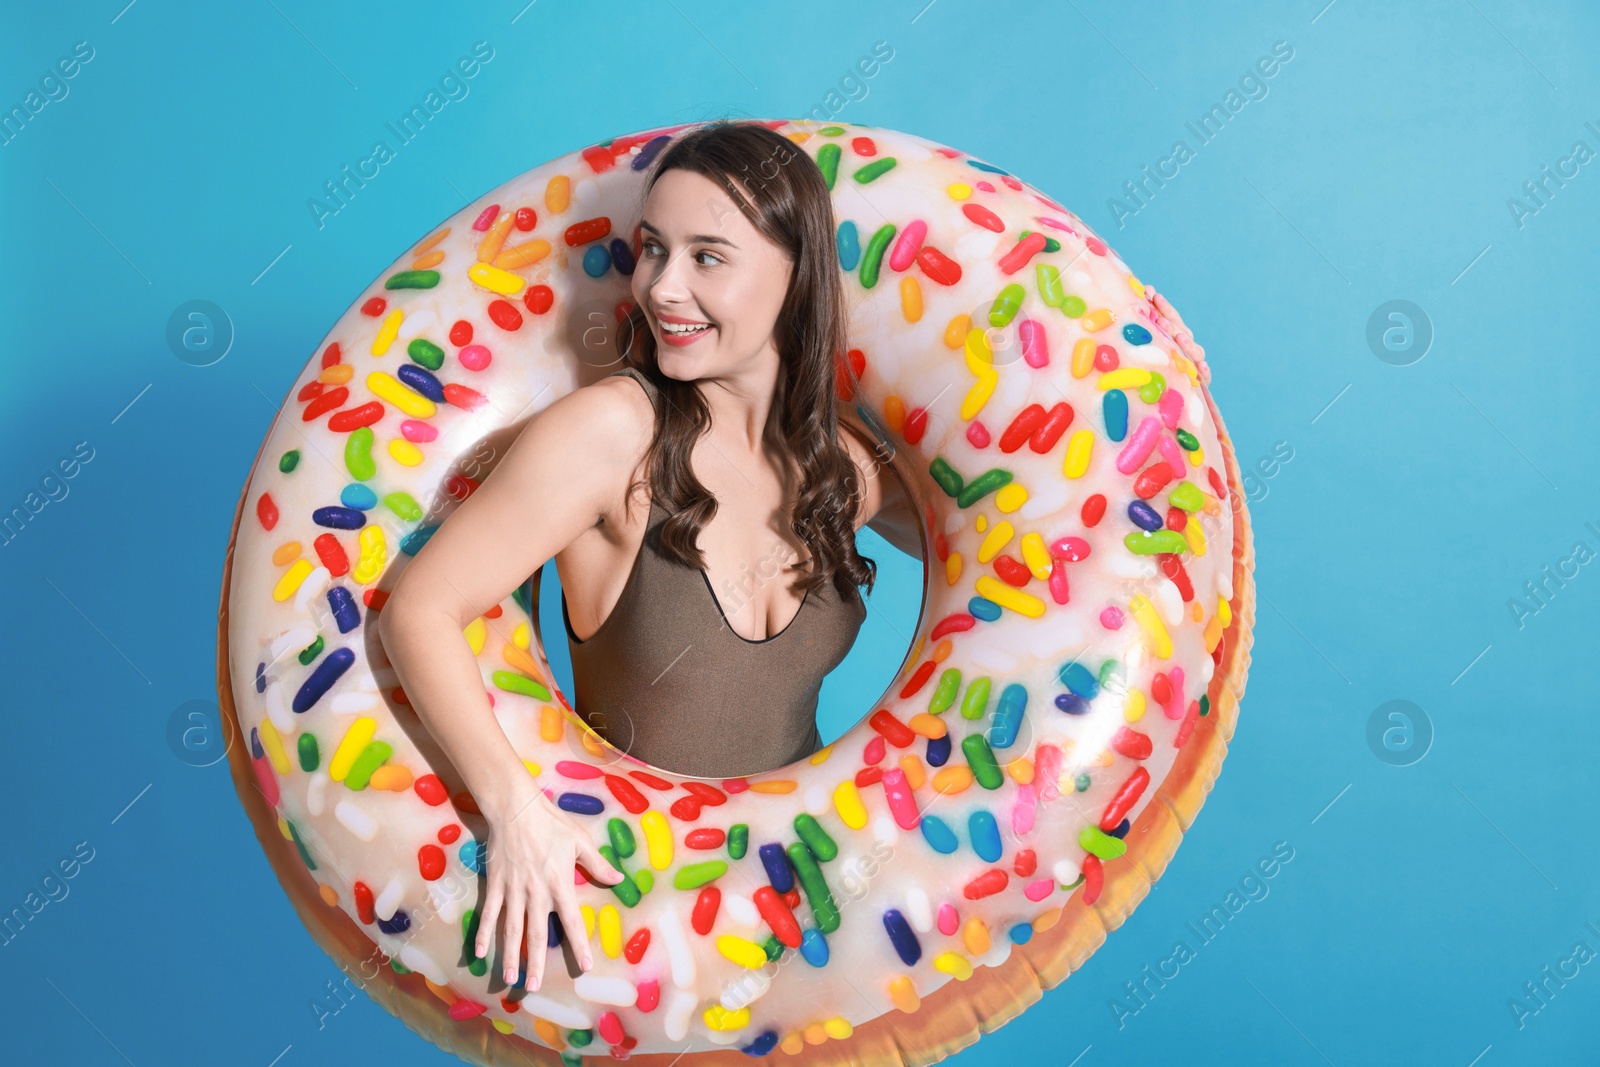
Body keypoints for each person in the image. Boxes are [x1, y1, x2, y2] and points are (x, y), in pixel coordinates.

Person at [378, 120, 922, 992]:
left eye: (708, 257)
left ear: (795, 275)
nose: (662, 287)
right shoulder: (610, 436)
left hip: (792, 932)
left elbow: (1005, 531)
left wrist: (1152, 411)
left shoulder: (837, 465)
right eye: (653, 250)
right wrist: (515, 810)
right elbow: (421, 609)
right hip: (632, 939)